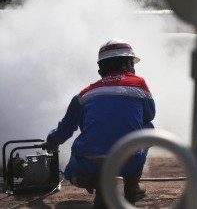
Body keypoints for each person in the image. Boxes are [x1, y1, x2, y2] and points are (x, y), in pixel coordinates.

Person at [43, 38, 155, 208]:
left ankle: (102, 187)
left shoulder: (84, 94)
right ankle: (132, 187)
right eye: (132, 63)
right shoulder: (139, 85)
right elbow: (149, 115)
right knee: (148, 128)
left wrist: (51, 142)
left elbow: (65, 128)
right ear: (126, 65)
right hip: (129, 160)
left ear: (100, 69)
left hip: (88, 164)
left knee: (90, 142)